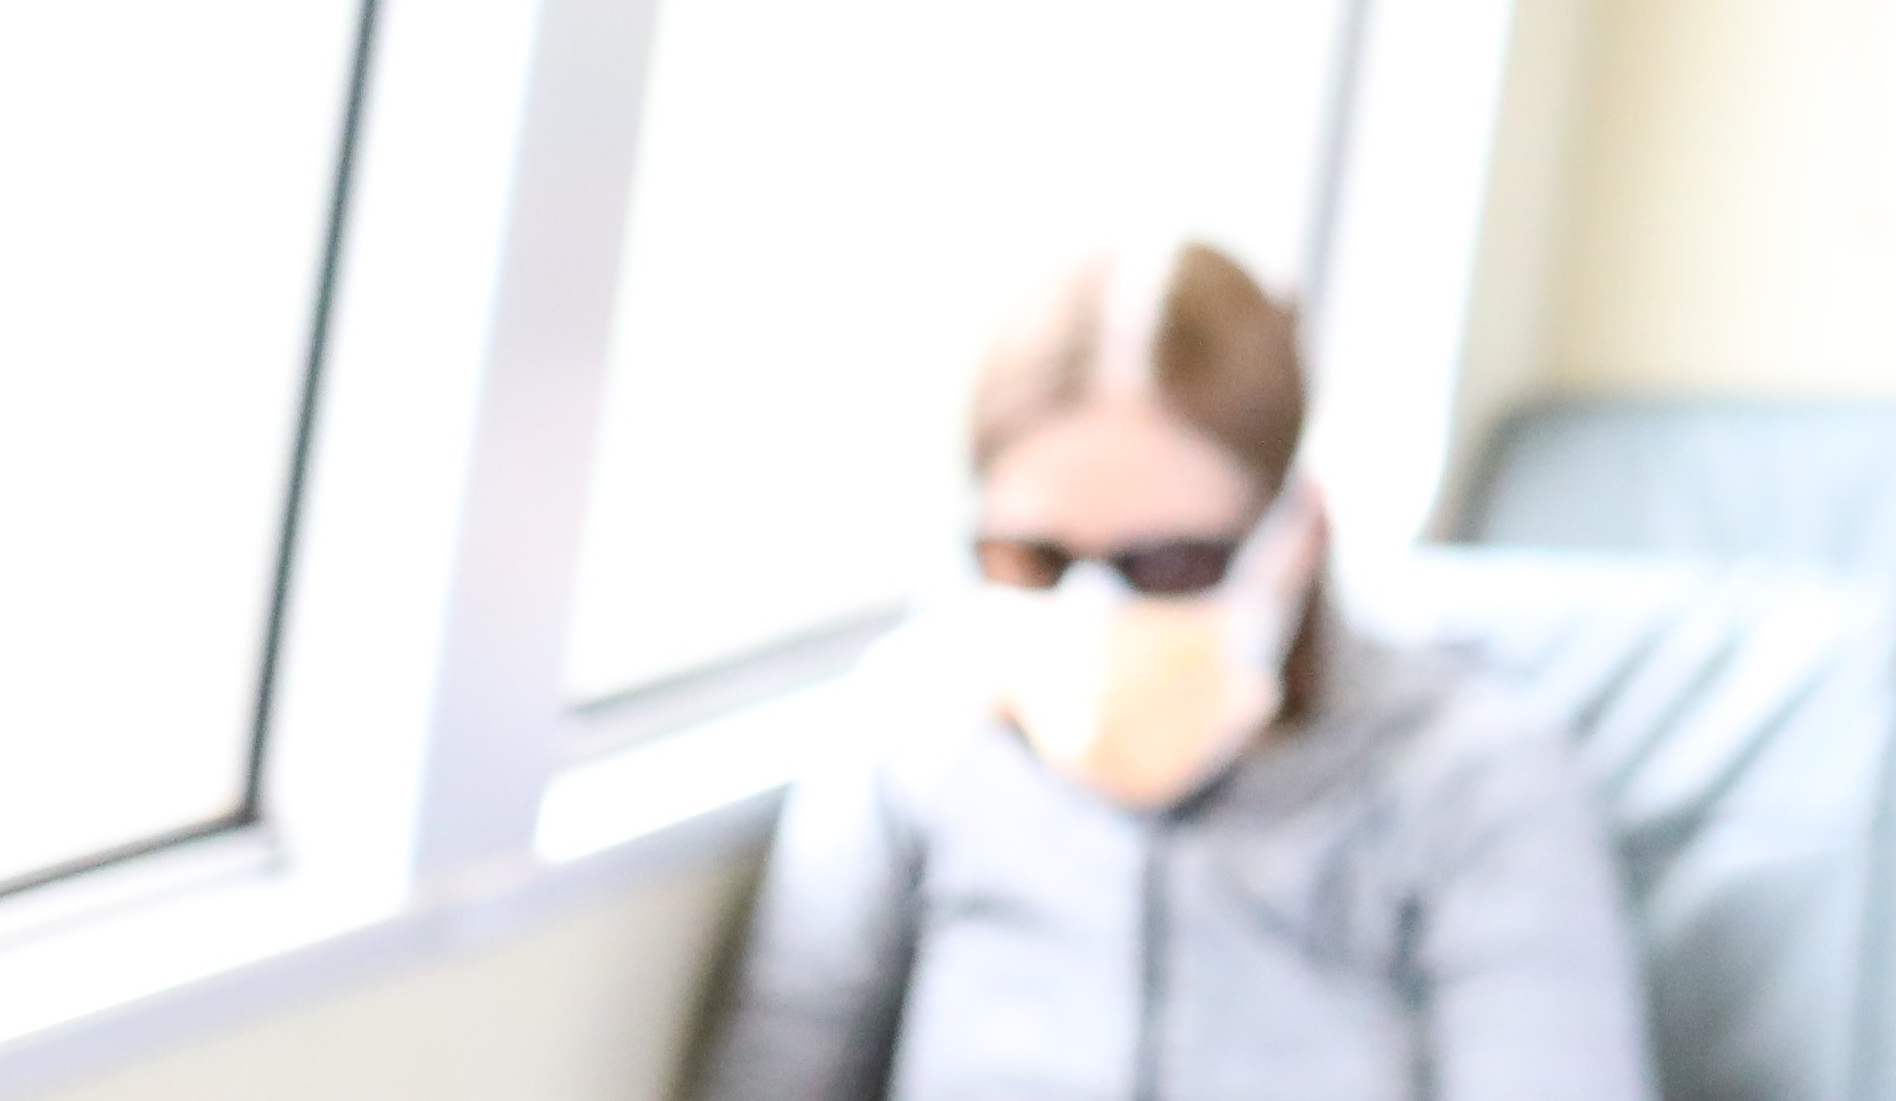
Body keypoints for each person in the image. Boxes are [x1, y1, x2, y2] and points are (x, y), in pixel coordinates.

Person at [694, 241, 1655, 1101]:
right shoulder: (910, 730)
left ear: (1295, 536)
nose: (1096, 614)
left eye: (1168, 566)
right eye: (1034, 560)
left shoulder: (1473, 776)